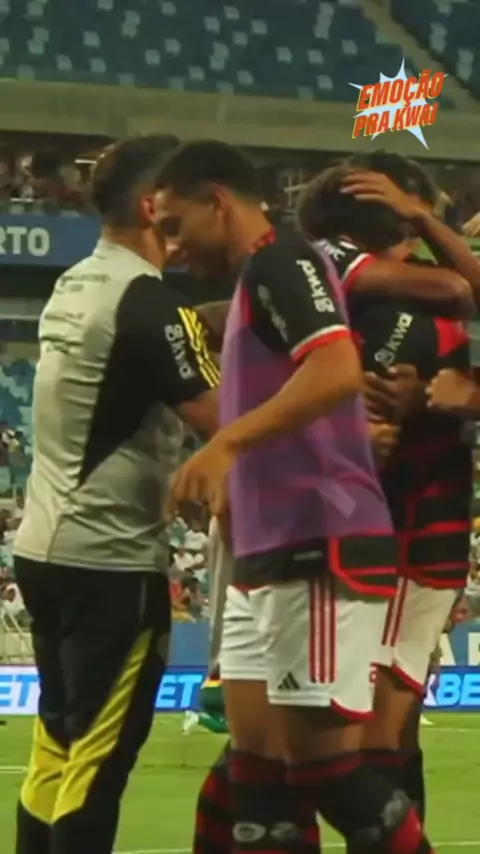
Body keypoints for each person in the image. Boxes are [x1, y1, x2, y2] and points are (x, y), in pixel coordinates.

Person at [159, 140, 436, 854]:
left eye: (177, 224)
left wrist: (226, 445)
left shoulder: (282, 261)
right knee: (253, 780)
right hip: (267, 550)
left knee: (327, 772)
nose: (172, 247)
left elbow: (336, 368)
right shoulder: (259, 279)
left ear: (218, 201)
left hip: (318, 542)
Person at [13, 135, 219, 854]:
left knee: (56, 748)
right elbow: (225, 420)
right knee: (96, 764)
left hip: (45, 547)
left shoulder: (75, 283)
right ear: (154, 205)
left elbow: (145, 354)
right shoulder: (150, 302)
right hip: (111, 561)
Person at [296, 150, 474, 825]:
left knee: (376, 730)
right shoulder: (326, 275)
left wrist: (446, 397)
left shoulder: (436, 287)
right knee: (350, 730)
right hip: (351, 526)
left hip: (422, 529)